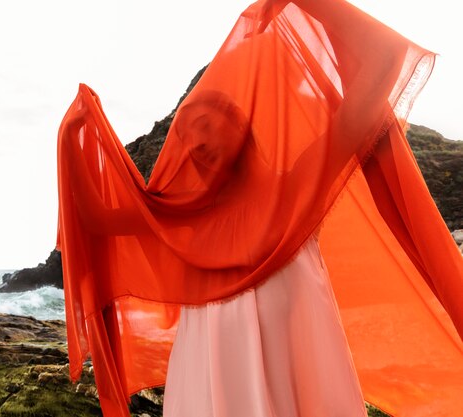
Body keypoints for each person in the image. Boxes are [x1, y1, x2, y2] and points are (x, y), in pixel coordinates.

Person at [56, 0, 463, 416]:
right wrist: (73, 137)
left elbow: (383, 58)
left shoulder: (298, 186)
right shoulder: (179, 219)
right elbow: (95, 219)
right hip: (207, 396)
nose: (196, 141)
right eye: (187, 129)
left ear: (243, 123)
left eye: (207, 120)